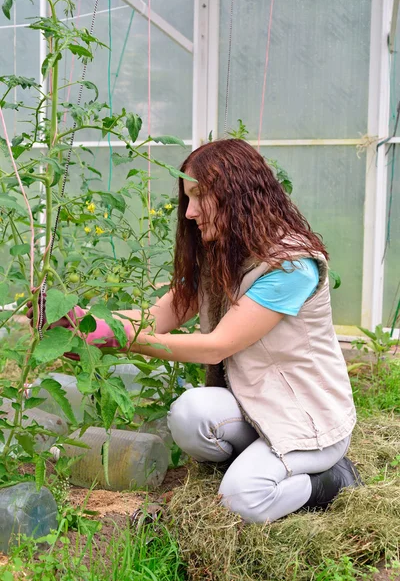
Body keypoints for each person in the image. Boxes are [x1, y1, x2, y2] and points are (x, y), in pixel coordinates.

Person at [28, 139, 361, 524]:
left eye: (200, 196)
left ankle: (331, 481)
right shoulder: (222, 256)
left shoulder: (289, 266)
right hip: (259, 405)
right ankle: (257, 463)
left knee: (241, 501)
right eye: (188, 198)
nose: (190, 212)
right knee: (189, 416)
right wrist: (80, 321)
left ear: (237, 193)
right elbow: (156, 317)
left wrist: (115, 339)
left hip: (305, 418)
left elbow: (215, 347)